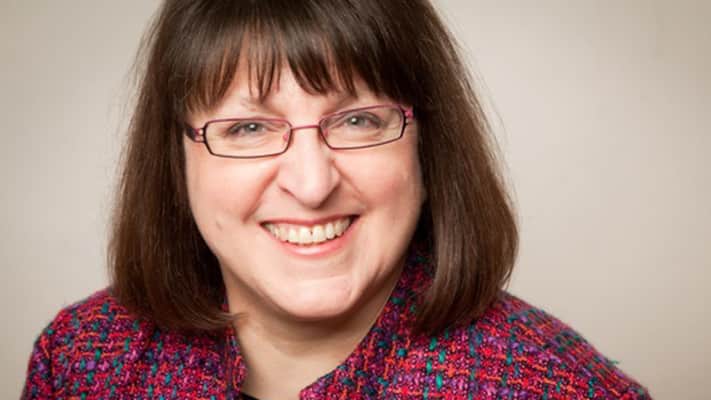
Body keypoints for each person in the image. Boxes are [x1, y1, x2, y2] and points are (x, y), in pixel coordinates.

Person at [22, 0, 651, 399]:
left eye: (358, 121)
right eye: (248, 127)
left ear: (426, 146)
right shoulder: (79, 358)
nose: (311, 183)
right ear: (176, 158)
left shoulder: (559, 386)